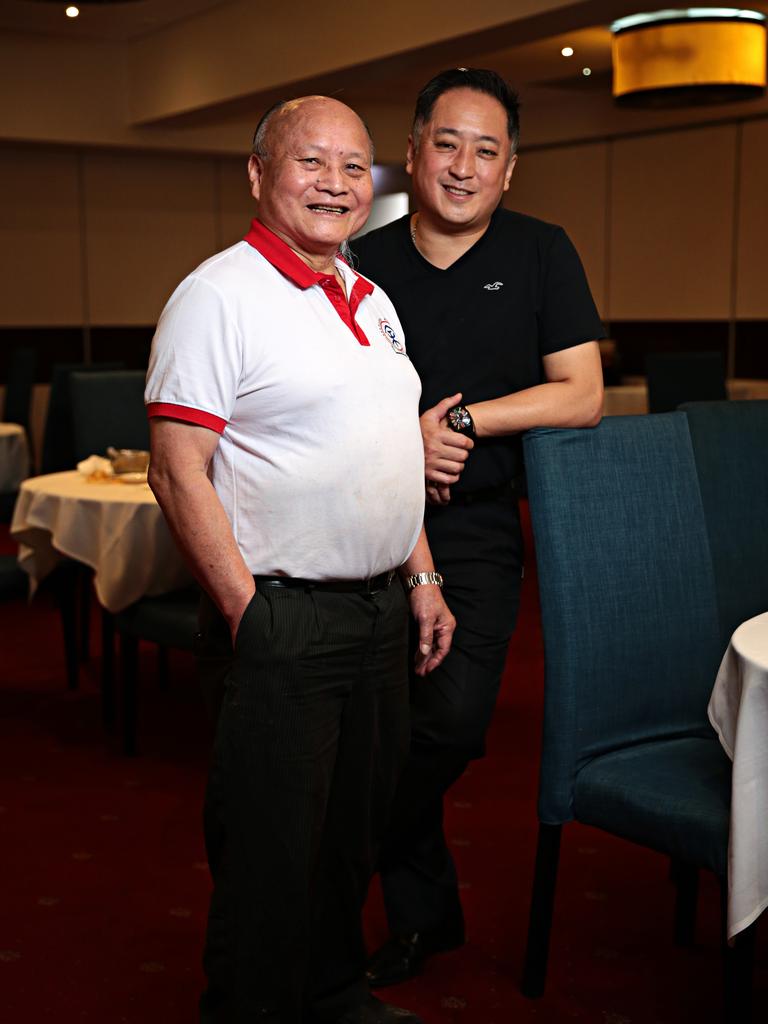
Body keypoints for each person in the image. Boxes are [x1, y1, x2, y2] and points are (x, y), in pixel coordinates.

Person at [144, 95, 456, 1024]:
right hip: (284, 614)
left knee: (350, 836)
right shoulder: (218, 295)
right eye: (310, 162)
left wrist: (423, 574)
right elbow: (175, 469)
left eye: (354, 167)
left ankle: (329, 991)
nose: (335, 183)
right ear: (258, 174)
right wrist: (250, 613)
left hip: (377, 612)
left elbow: (387, 451)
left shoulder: (371, 297)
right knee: (272, 852)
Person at [352, 67, 605, 987]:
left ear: (511, 169)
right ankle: (425, 916)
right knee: (372, 724)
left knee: (451, 723)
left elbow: (582, 394)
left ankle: (345, 854)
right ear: (413, 151)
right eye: (446, 144)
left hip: (480, 530)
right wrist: (401, 442)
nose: (463, 166)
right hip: (368, 526)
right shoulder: (362, 263)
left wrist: (459, 422)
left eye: (486, 150)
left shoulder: (543, 252)